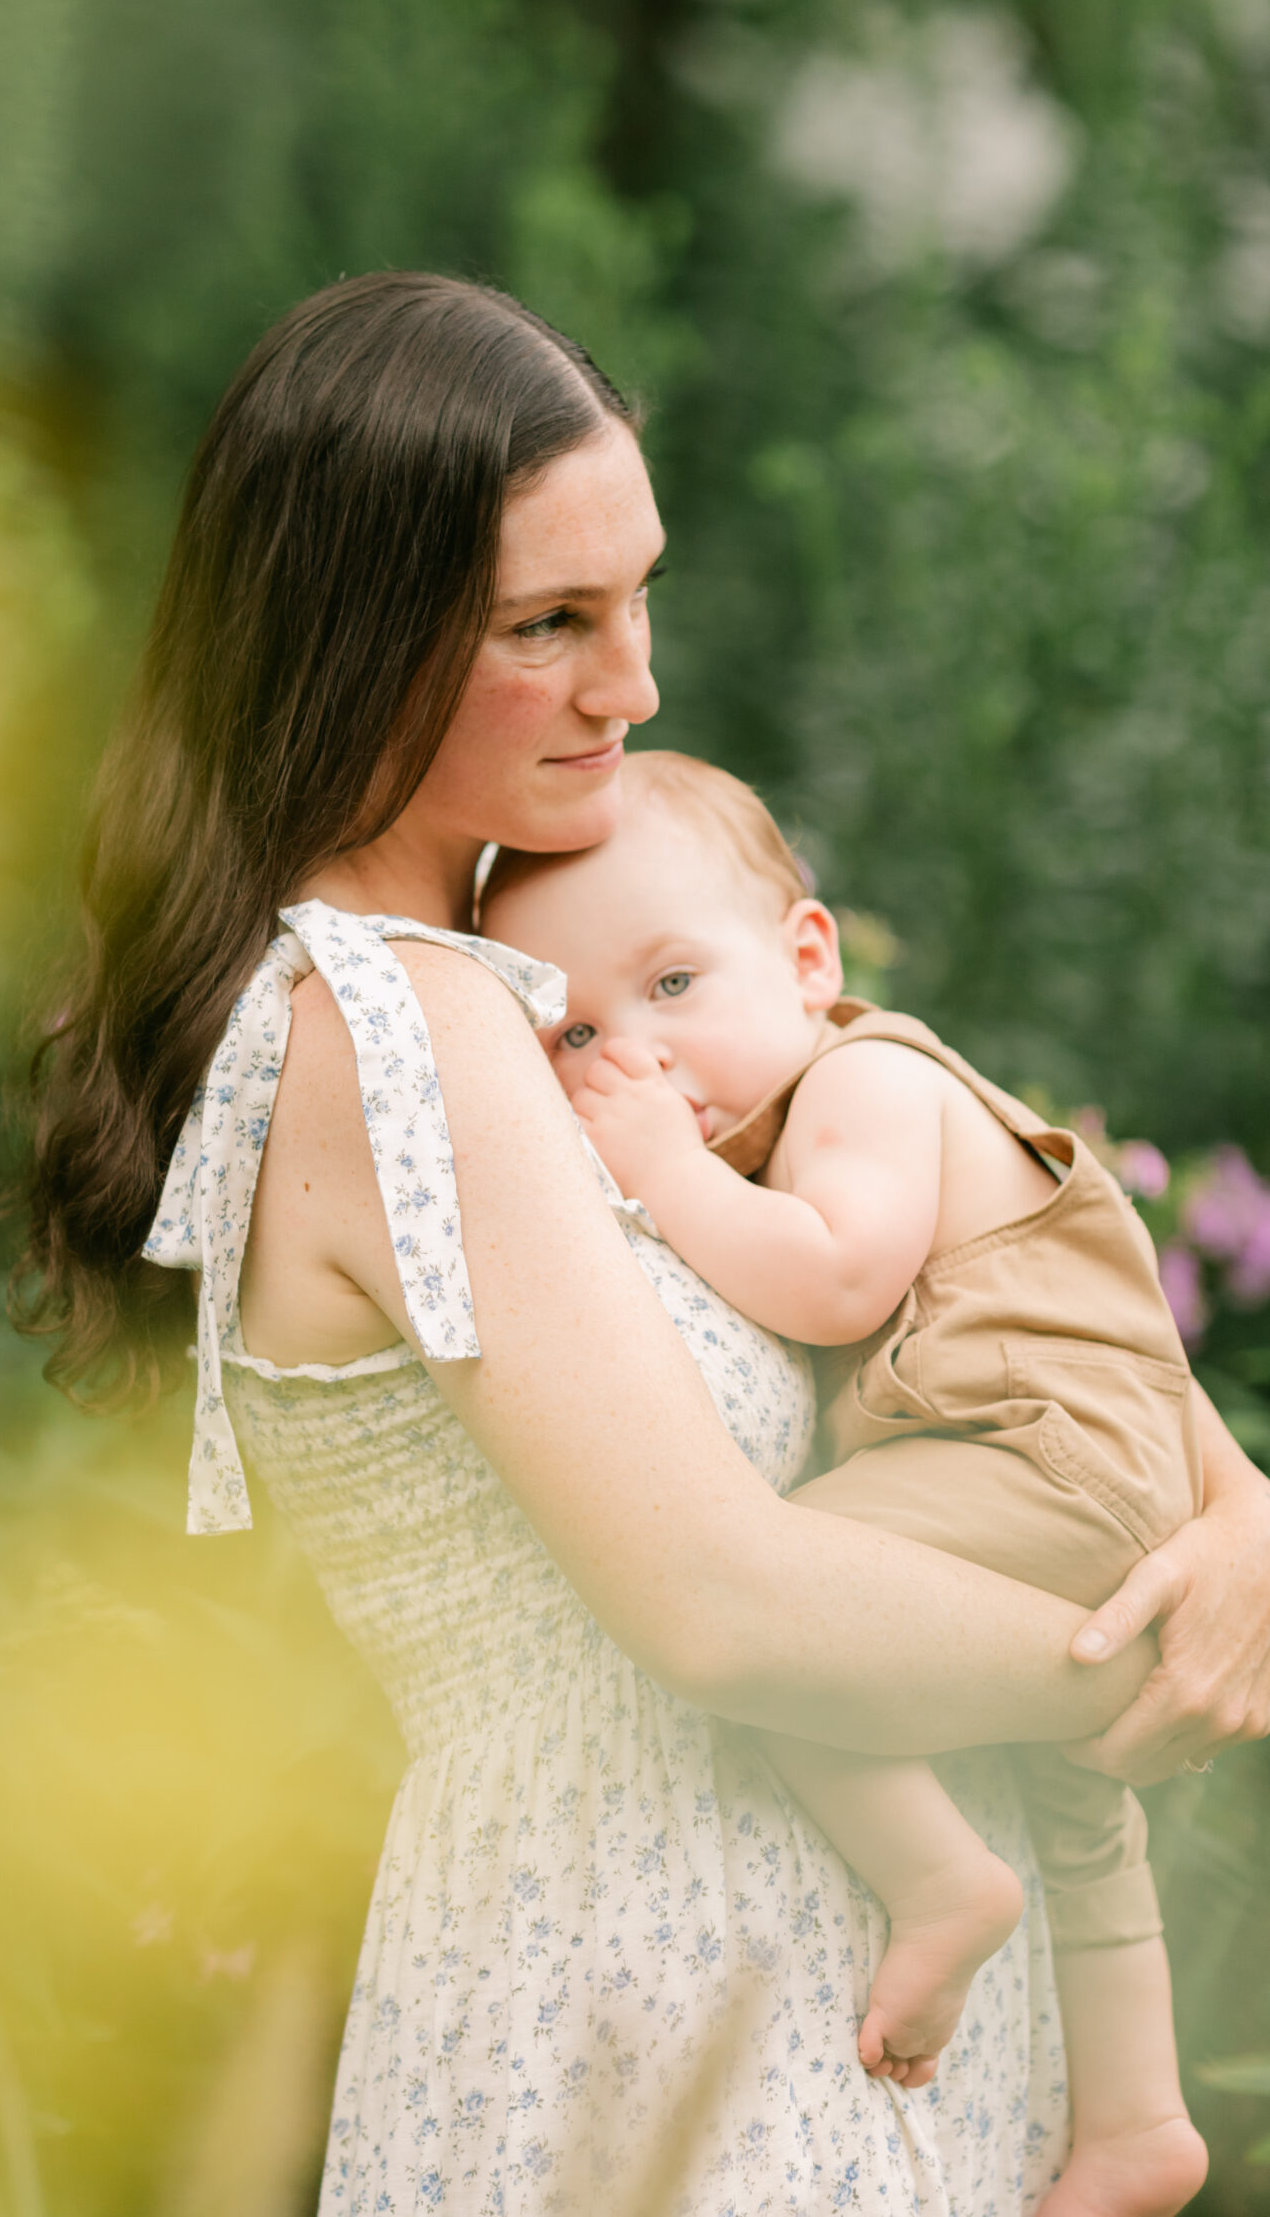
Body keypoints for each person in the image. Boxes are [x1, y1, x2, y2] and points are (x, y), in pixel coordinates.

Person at [11, 272, 1270, 2215]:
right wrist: (1130, 1659)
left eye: (637, 594)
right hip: (664, 1980)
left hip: (806, 1974)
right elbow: (721, 1606)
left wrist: (1227, 1498)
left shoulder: (539, 981)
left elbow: (946, 1268)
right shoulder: (390, 1022)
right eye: (551, 625)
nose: (636, 681)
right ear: (353, 635)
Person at [481, 751, 1211, 2216]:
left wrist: (657, 1176)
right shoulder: (784, 1113)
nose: (642, 1058)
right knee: (1083, 1798)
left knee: (775, 1603)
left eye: (674, 986)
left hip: (1038, 1457)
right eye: (573, 1036)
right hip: (1070, 1478)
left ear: (807, 959)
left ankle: (940, 1881)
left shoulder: (863, 1081)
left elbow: (835, 1280)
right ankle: (1139, 2122)